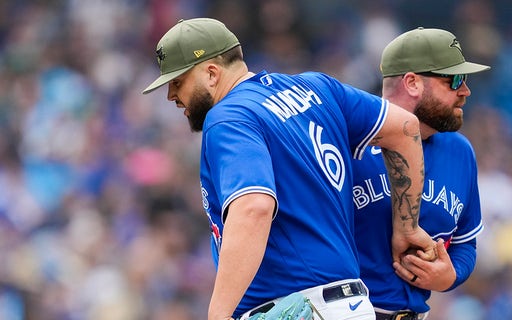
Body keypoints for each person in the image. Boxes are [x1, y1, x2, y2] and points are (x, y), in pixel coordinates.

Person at [142, 18, 435, 320]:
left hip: (302, 307)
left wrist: (218, 313)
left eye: (178, 82)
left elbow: (253, 207)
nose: (171, 96)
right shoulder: (316, 87)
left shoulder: (229, 117)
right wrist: (407, 227)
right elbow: (405, 127)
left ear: (212, 73)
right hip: (350, 305)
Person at [352, 27, 489, 319]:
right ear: (412, 82)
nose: (465, 91)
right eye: (454, 80)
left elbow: (466, 243)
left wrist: (450, 276)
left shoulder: (460, 151)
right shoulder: (350, 144)